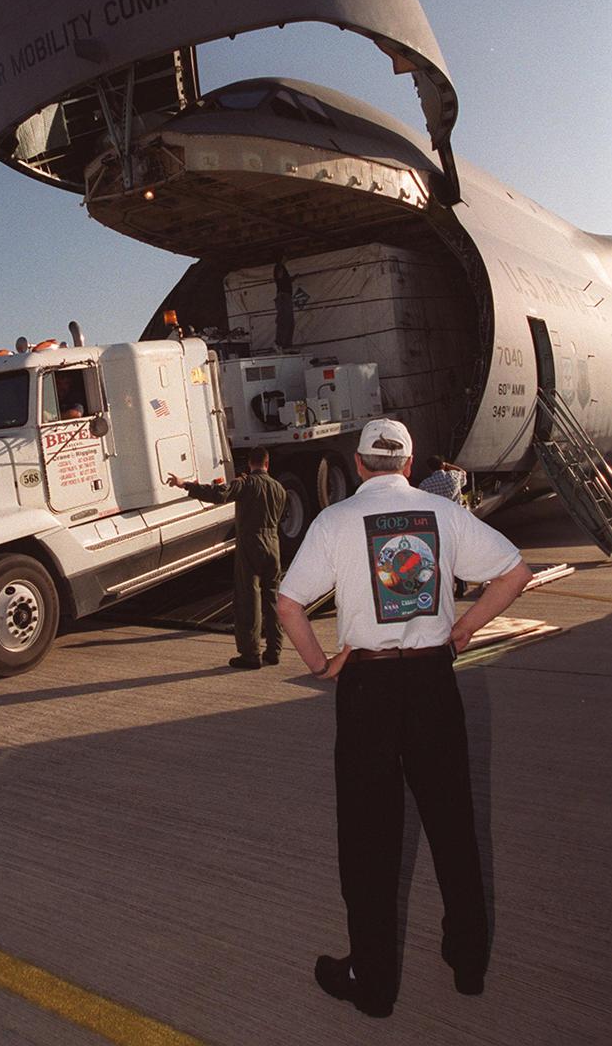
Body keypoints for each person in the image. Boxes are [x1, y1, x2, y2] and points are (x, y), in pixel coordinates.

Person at [276, 418, 531, 1018]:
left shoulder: (335, 520)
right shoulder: (442, 513)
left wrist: (321, 664)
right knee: (452, 822)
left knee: (368, 837)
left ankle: (373, 982)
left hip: (367, 687)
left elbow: (288, 604)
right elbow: (515, 573)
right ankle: (468, 961)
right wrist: (462, 630)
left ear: (360, 464)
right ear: (409, 466)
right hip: (432, 681)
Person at [167, 446, 287, 668]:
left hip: (251, 543)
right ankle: (274, 650)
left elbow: (218, 494)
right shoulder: (279, 488)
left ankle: (251, 654)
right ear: (267, 464)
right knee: (272, 599)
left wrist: (185, 484)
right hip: (273, 544)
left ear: (250, 464)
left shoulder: (246, 484)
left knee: (249, 599)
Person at [420, 455, 469, 596]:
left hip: (438, 521)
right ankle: (461, 585)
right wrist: (448, 465)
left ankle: (447, 586)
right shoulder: (453, 477)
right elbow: (463, 472)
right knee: (458, 553)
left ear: (429, 469)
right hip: (457, 520)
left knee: (444, 555)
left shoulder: (425, 484)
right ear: (442, 465)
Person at [273, 261, 295, 350]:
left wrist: (292, 279)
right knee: (284, 320)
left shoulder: (282, 268)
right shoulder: (279, 267)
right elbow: (280, 278)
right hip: (283, 297)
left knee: (290, 321)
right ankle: (280, 343)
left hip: (286, 297)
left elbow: (284, 280)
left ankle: (286, 344)